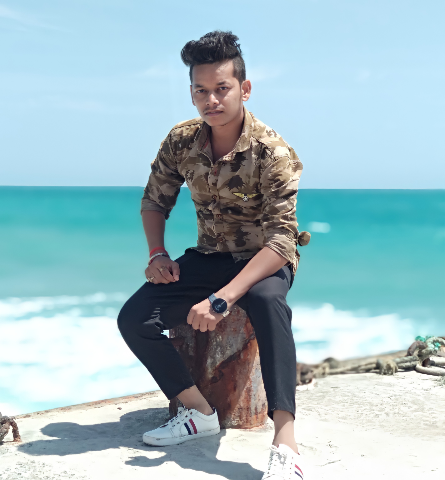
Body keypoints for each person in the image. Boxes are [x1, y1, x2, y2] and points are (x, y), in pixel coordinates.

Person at [117, 30, 310, 480]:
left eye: (222, 88)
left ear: (244, 88)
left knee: (267, 302)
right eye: (201, 90)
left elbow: (282, 239)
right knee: (134, 319)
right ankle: (198, 412)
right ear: (191, 93)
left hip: (264, 260)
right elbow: (154, 201)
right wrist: (158, 253)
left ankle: (286, 442)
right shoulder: (181, 140)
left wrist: (223, 298)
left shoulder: (273, 152)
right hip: (209, 255)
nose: (212, 100)